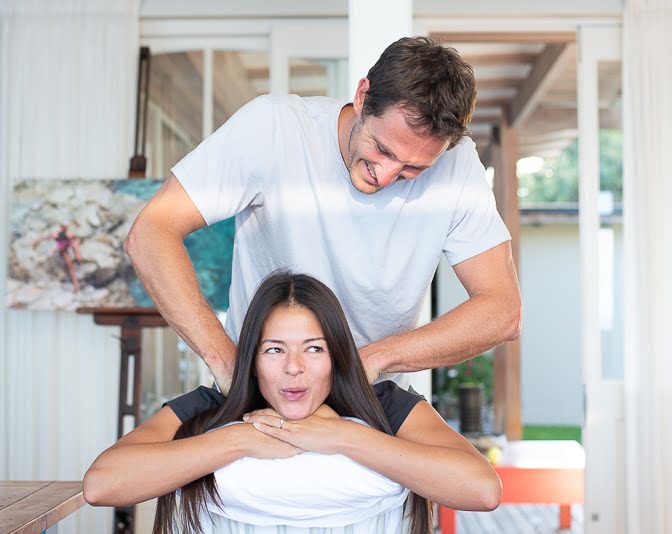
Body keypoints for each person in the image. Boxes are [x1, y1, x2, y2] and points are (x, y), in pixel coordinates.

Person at [124, 36, 522, 394]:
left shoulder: (458, 165)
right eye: (382, 149)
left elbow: (501, 310)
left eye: (412, 169)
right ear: (363, 95)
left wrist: (372, 361)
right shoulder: (274, 128)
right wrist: (225, 362)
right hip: (260, 395)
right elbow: (152, 231)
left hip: (373, 396)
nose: (385, 176)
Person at [83, 272, 502, 533]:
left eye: (314, 349)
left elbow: (481, 490)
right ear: (251, 356)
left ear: (336, 352)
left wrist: (343, 437)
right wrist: (239, 441)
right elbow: (103, 484)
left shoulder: (387, 405)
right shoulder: (209, 406)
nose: (294, 369)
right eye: (275, 350)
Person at [32, 223, 82, 293]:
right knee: (70, 266)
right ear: (62, 227)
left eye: (66, 227)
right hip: (63, 247)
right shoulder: (56, 233)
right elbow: (46, 237)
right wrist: (36, 241)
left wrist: (75, 248)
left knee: (74, 247)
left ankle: (76, 284)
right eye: (64, 227)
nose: (65, 228)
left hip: (66, 245)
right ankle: (76, 285)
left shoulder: (68, 234)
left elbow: (75, 239)